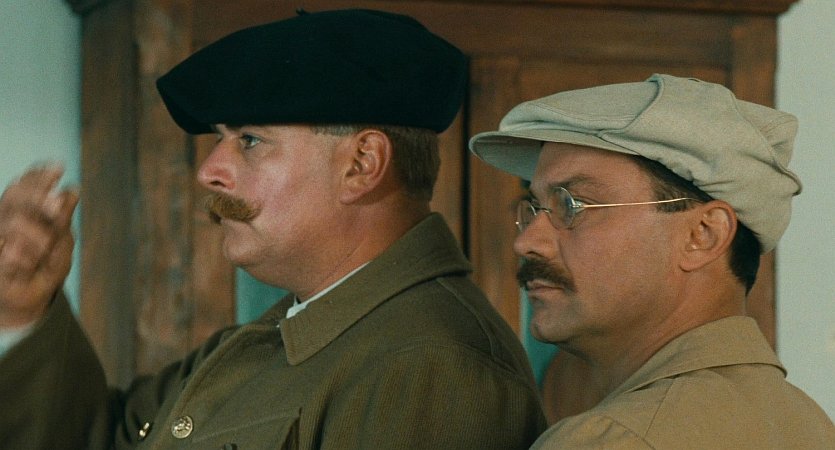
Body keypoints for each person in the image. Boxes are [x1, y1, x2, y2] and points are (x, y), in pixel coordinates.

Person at [0, 9, 547, 449]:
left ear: (361, 164)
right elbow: (101, 439)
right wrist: (22, 309)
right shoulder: (275, 337)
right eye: (222, 138)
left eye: (250, 140)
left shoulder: (432, 370)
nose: (209, 171)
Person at [469, 73, 835, 449]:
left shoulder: (613, 440)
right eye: (534, 207)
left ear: (703, 234)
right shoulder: (809, 425)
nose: (526, 242)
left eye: (572, 205)